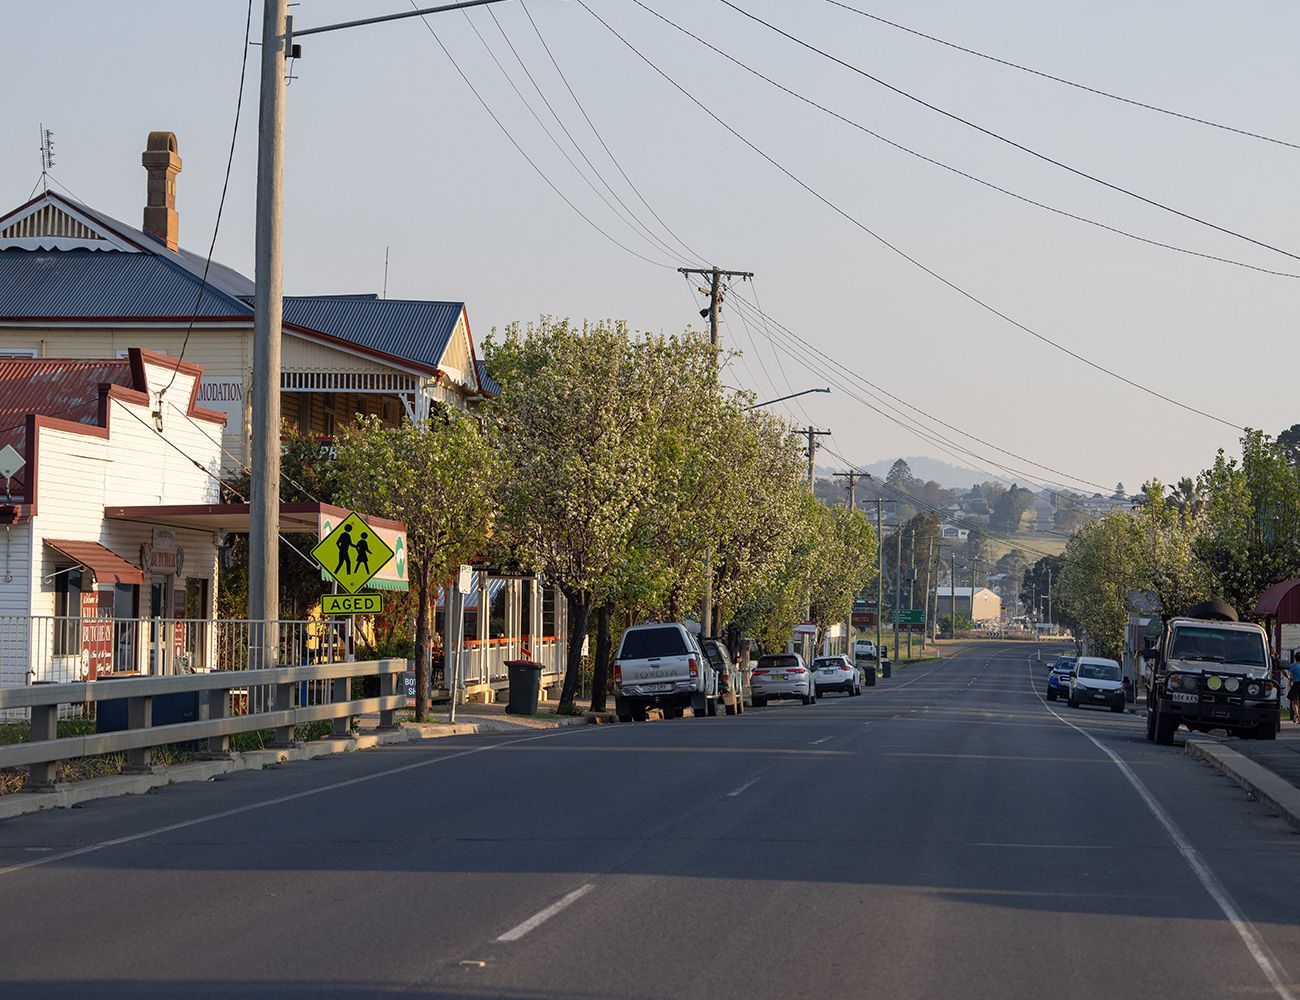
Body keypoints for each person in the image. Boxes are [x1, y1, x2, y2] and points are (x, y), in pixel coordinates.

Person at [1288, 650, 1300, 725]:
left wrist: (1289, 682)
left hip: (1295, 684)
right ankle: (1299, 717)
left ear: (1295, 658)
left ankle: (1297, 714)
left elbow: (1291, 676)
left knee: (1294, 701)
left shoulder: (1292, 665)